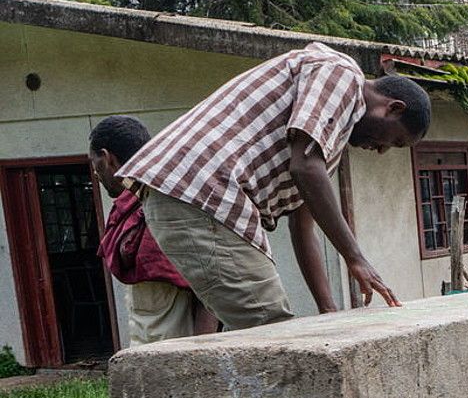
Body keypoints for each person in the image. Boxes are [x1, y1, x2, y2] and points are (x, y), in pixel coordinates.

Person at [117, 42, 430, 329]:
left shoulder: (325, 144)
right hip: (202, 191)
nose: (381, 150)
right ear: (393, 107)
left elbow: (303, 226)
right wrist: (356, 258)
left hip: (202, 198)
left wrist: (329, 311)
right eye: (395, 141)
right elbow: (304, 168)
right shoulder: (342, 73)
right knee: (272, 330)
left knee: (271, 330)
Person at [90, 115, 219, 344]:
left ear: (107, 158)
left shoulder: (164, 206)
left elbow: (208, 287)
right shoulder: (126, 207)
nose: (95, 174)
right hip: (142, 346)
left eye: (95, 164)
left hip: (179, 351)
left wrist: (201, 352)